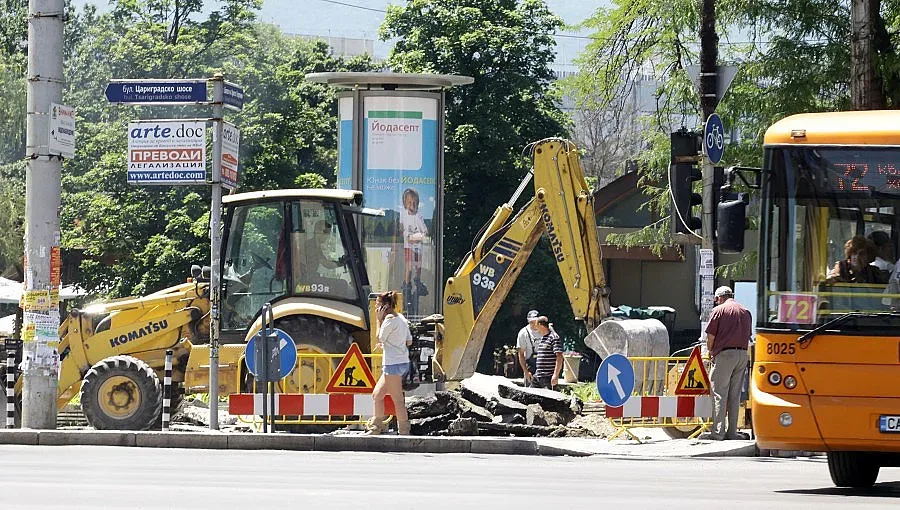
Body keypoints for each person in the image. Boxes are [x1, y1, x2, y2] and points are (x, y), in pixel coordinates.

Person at [701, 286, 752, 441]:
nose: (716, 302)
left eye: (716, 300)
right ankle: (732, 432)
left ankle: (718, 432)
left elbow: (710, 336)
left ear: (719, 298)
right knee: (735, 395)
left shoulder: (719, 311)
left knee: (719, 394)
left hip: (724, 355)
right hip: (742, 354)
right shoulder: (745, 311)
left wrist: (710, 351)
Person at [366, 290, 412, 435]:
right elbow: (409, 341)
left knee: (397, 399)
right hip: (401, 362)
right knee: (377, 395)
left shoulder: (388, 320)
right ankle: (375, 427)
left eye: (377, 305)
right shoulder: (401, 319)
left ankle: (404, 430)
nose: (375, 308)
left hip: (393, 364)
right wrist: (391, 343)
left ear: (384, 307)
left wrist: (379, 320)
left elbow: (379, 337)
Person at [400, 188, 429, 297]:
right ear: (405, 203)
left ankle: (417, 281)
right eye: (409, 202)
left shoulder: (418, 217)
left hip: (417, 246)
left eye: (414, 203)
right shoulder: (403, 214)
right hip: (408, 245)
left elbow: (425, 232)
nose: (412, 205)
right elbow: (401, 227)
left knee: (417, 265)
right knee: (408, 266)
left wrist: (417, 237)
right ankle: (407, 285)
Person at [530, 316, 563, 390]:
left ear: (540, 325)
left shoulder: (554, 338)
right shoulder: (543, 338)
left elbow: (559, 357)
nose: (535, 327)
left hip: (548, 377)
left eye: (536, 325)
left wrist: (555, 375)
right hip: (538, 375)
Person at [516, 310, 541, 384]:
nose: (534, 324)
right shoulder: (523, 333)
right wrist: (526, 372)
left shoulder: (546, 329)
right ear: (528, 321)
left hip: (545, 366)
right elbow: (521, 354)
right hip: (531, 367)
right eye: (531, 322)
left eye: (535, 321)